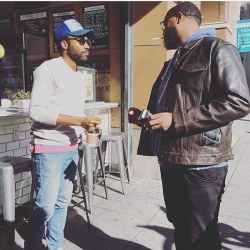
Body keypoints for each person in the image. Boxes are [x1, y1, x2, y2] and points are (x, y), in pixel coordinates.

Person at [128, 2, 250, 250]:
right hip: (172, 159)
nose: (164, 30)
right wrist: (143, 117)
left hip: (201, 165)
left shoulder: (218, 49)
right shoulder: (175, 59)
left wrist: (175, 120)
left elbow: (239, 102)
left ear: (179, 17)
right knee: (181, 227)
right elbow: (169, 110)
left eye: (165, 24)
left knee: (201, 236)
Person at [24, 19, 101, 250]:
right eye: (81, 40)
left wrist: (87, 125)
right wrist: (79, 120)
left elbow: (72, 112)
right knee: (45, 207)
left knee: (62, 204)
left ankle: (54, 247)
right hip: (49, 151)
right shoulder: (48, 69)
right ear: (65, 43)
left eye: (88, 40)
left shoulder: (79, 76)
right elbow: (36, 111)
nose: (87, 45)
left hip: (71, 149)